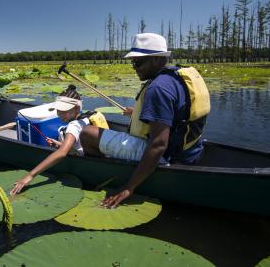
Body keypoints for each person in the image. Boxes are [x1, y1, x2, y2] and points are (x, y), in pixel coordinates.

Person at [80, 33, 210, 208]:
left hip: (166, 156)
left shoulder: (158, 88)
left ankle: (110, 169)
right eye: (132, 62)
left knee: (88, 133)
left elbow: (158, 144)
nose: (134, 67)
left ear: (157, 59)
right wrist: (137, 112)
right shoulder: (175, 77)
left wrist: (129, 187)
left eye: (138, 62)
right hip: (191, 150)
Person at [9, 85, 108, 195]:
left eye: (64, 111)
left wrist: (30, 175)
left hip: (87, 158)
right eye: (58, 111)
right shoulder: (86, 118)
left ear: (77, 109)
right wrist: (60, 144)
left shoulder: (73, 126)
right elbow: (78, 144)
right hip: (97, 153)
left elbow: (62, 153)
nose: (60, 114)